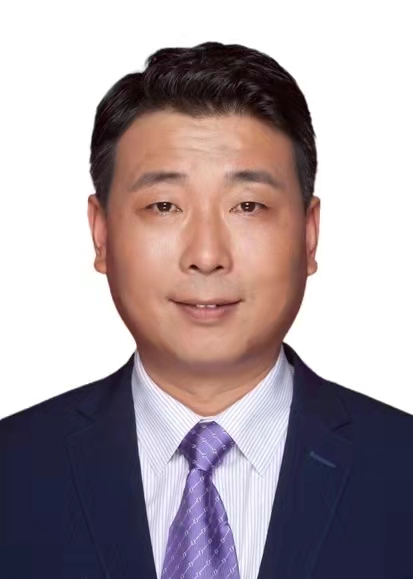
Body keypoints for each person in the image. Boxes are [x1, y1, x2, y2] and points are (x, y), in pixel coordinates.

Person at [1, 41, 412, 579]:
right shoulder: (13, 471)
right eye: (163, 206)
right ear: (101, 234)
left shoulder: (401, 469)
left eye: (248, 206)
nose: (207, 255)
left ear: (309, 235)